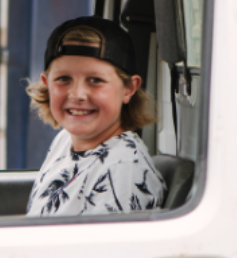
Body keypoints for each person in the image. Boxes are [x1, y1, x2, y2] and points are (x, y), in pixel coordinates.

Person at [25, 16, 164, 216]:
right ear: (47, 83)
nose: (77, 94)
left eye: (95, 80)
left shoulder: (121, 170)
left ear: (128, 88)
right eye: (63, 79)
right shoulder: (65, 140)